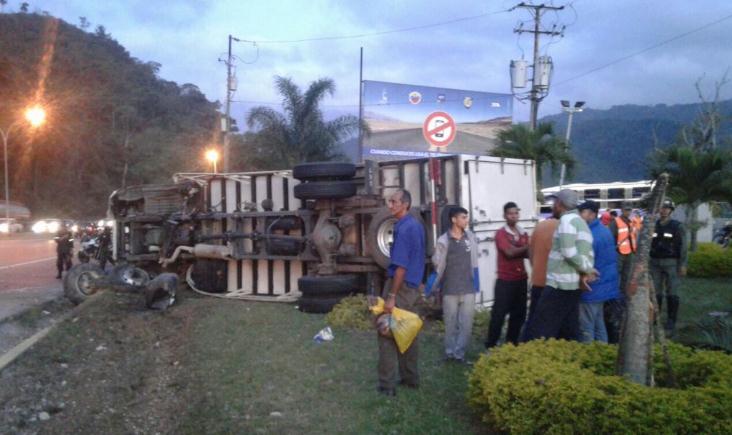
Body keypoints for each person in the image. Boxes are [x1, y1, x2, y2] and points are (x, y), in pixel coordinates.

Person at [524, 189, 598, 341]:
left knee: (540, 330)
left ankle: (536, 361)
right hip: (572, 284)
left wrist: (588, 269)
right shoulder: (580, 222)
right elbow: (586, 251)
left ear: (559, 203)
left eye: (554, 203)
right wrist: (586, 268)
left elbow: (568, 252)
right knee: (569, 331)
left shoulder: (567, 221)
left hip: (559, 284)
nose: (553, 206)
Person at [377, 189, 425, 396]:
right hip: (413, 287)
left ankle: (387, 385)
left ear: (405, 204)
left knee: (386, 332)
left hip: (401, 287)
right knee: (409, 332)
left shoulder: (404, 228)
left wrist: (391, 296)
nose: (390, 205)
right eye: (390, 201)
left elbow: (400, 267)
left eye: (394, 201)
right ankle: (410, 378)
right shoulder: (416, 225)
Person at [431, 206, 480, 363]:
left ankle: (460, 354)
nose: (466, 220)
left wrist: (476, 284)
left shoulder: (470, 237)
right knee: (450, 324)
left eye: (467, 217)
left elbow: (475, 263)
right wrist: (434, 287)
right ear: (454, 219)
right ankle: (450, 352)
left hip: (468, 288)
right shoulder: (444, 240)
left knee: (466, 325)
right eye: (463, 217)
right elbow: (437, 264)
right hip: (450, 289)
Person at [485, 202, 529, 349]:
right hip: (505, 280)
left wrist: (525, 249)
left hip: (521, 279)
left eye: (516, 213)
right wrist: (526, 248)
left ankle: (511, 344)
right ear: (504, 216)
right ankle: (491, 345)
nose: (514, 216)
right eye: (511, 213)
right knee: (499, 315)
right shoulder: (501, 234)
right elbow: (509, 253)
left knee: (519, 315)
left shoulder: (523, 232)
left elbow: (528, 254)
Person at [577, 200, 620, 343]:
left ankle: (588, 356)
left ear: (592, 214)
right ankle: (602, 352)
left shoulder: (590, 235)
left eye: (581, 212)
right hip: (604, 285)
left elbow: (586, 262)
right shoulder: (604, 230)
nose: (579, 216)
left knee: (587, 326)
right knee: (599, 322)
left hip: (592, 286)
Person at [650, 200, 687, 334]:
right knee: (655, 292)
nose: (664, 210)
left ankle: (671, 320)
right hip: (655, 263)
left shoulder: (677, 226)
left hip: (671, 263)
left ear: (671, 210)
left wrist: (682, 264)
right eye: (662, 208)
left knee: (672, 292)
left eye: (667, 208)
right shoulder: (653, 225)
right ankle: (655, 318)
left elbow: (683, 247)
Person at [605, 202, 640, 343]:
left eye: (629, 210)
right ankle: (615, 298)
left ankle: (624, 298)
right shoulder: (616, 222)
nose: (628, 212)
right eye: (626, 210)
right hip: (619, 253)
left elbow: (634, 235)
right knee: (616, 276)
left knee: (626, 277)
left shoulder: (632, 221)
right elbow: (611, 237)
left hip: (629, 252)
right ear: (621, 210)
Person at [522, 211, 559, 341]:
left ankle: (528, 345)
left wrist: (535, 268)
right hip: (555, 283)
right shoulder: (564, 228)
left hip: (538, 280)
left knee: (534, 318)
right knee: (553, 321)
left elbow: (530, 252)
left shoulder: (539, 227)